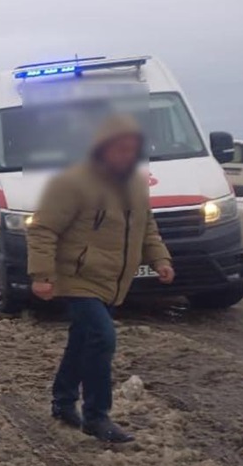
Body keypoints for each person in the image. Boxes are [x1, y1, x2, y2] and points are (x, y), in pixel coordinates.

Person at [27, 114, 174, 443]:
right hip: (77, 277)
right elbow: (43, 230)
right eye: (120, 147)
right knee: (102, 337)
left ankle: (63, 401)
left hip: (112, 280)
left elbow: (146, 227)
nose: (126, 154)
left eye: (132, 148)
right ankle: (96, 416)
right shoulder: (71, 183)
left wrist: (160, 259)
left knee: (83, 339)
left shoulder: (136, 183)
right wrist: (41, 275)